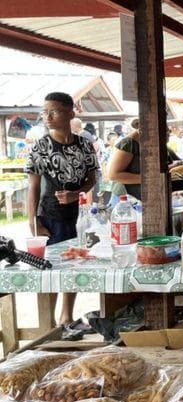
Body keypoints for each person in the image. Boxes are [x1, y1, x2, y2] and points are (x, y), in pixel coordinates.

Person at [25, 92, 98, 326]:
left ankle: (67, 317)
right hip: (50, 216)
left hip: (78, 216)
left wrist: (77, 194)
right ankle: (48, 325)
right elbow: (33, 187)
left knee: (73, 265)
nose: (47, 116)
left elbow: (91, 178)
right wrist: (33, 220)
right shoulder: (41, 147)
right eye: (44, 111)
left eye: (53, 111)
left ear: (70, 112)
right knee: (49, 269)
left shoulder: (85, 145)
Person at [107, 119, 142, 201]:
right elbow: (113, 175)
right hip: (124, 197)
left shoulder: (147, 143)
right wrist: (148, 179)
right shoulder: (129, 143)